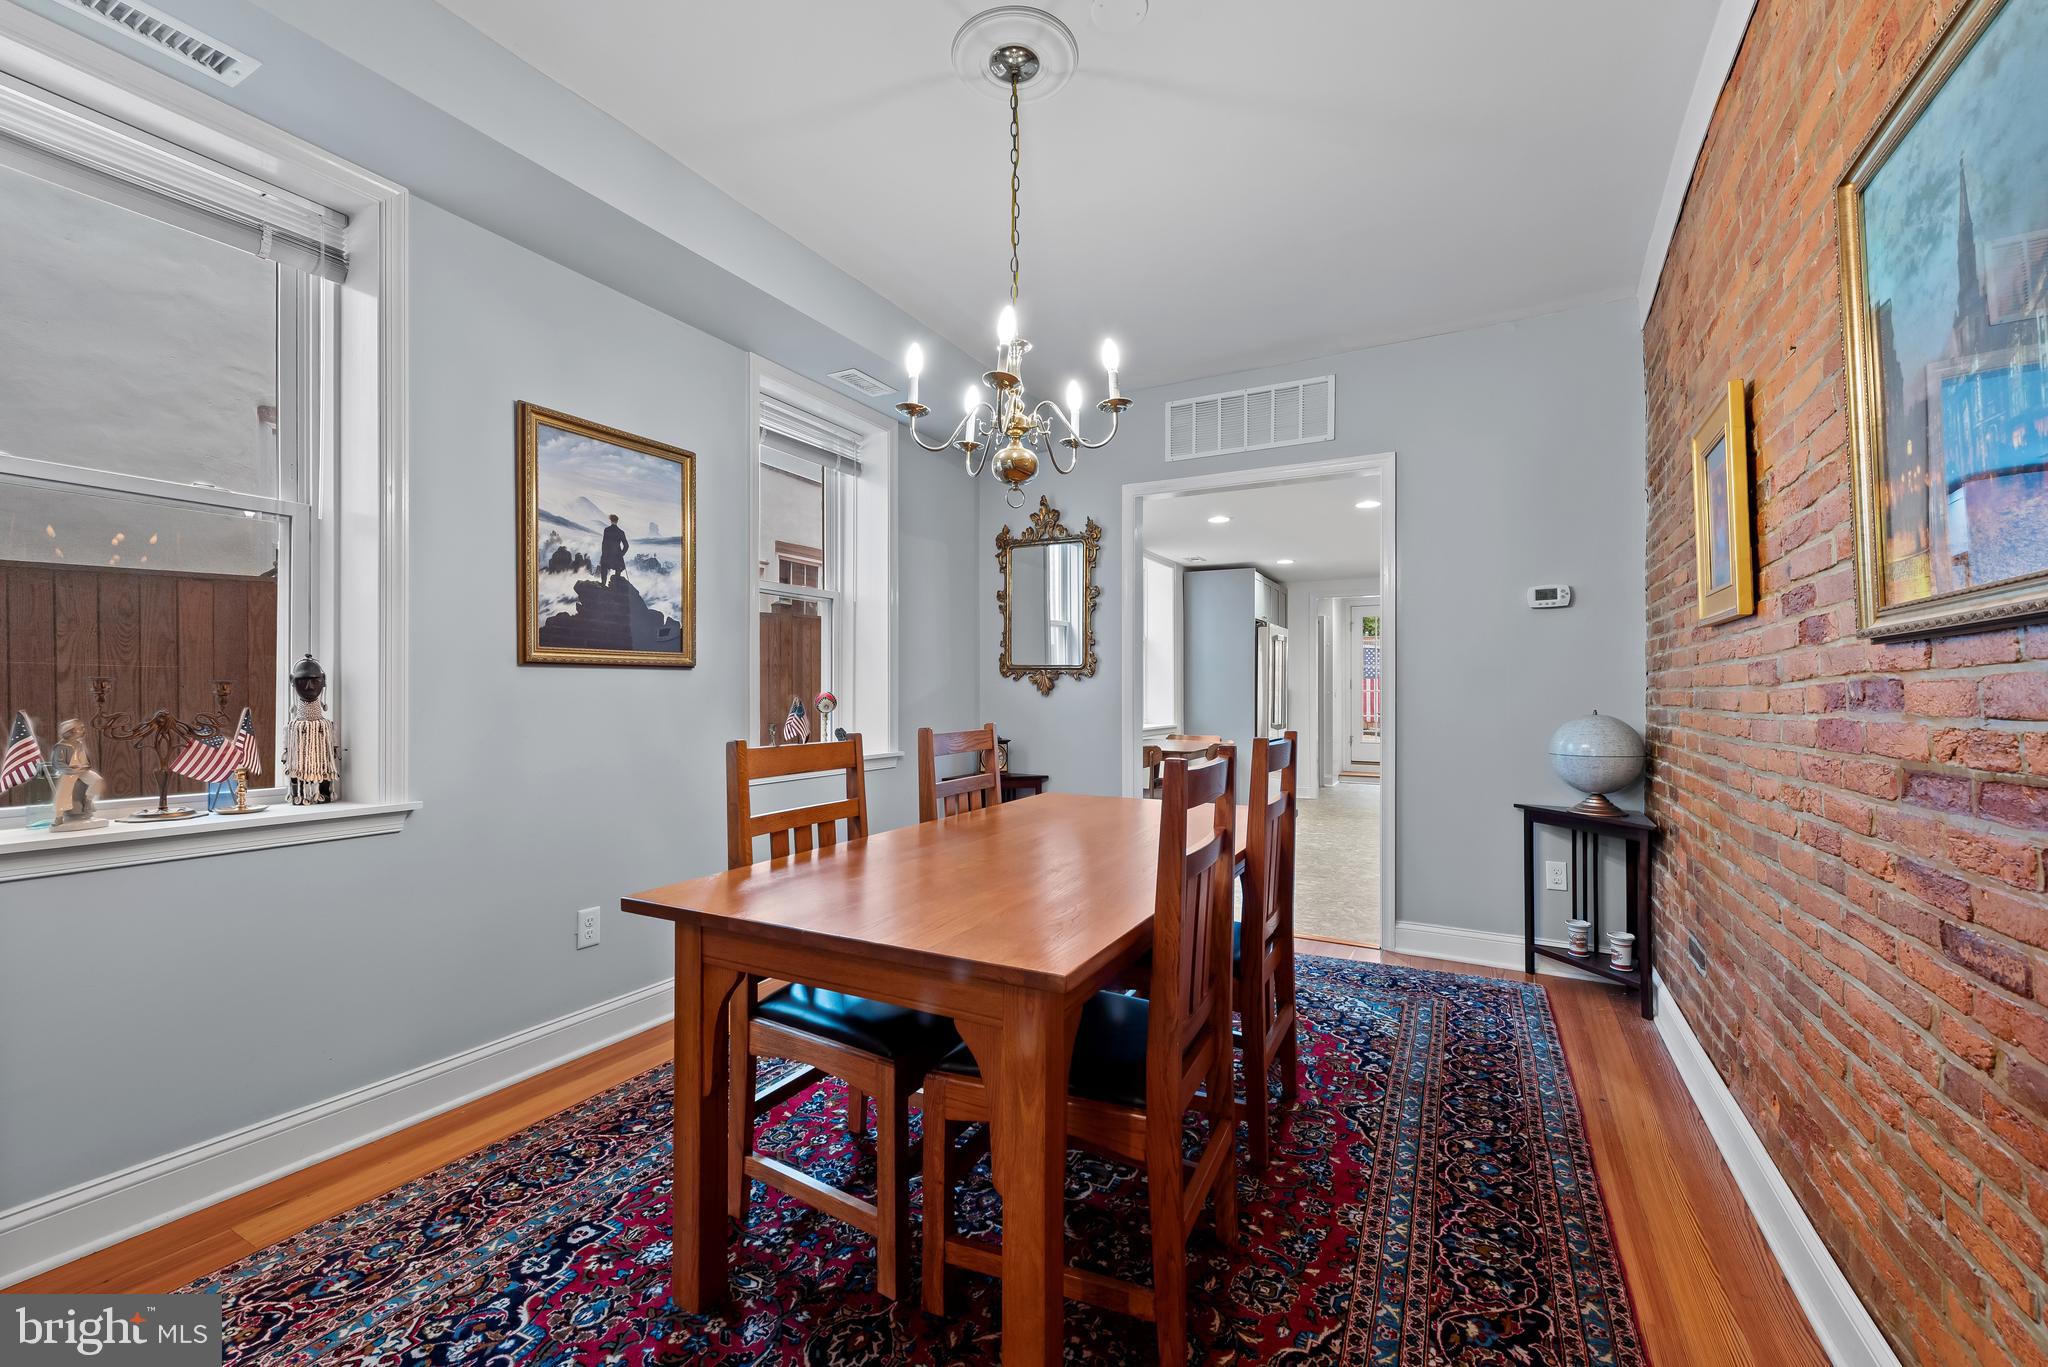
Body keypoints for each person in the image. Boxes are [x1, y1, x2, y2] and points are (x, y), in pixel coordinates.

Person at [599, 514, 630, 587]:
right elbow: (626, 546)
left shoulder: (607, 530)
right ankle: (616, 587)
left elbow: (604, 543)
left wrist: (603, 554)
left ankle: (603, 584)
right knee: (618, 569)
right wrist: (621, 554)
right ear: (617, 521)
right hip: (617, 556)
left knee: (604, 568)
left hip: (607, 555)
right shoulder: (621, 532)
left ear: (610, 520)